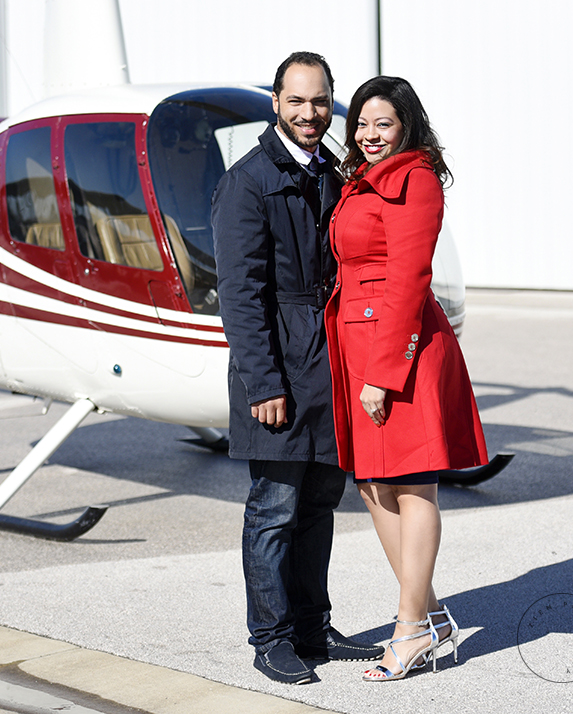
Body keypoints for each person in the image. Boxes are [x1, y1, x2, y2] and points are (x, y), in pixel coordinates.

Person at [212, 51, 382, 686]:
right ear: (276, 104)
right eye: (297, 101)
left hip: (331, 363)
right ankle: (272, 636)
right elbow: (240, 291)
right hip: (281, 364)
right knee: (275, 506)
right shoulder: (248, 181)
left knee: (319, 503)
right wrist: (264, 382)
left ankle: (313, 626)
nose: (310, 113)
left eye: (320, 102)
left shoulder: (335, 174)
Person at [324, 76, 489, 681]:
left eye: (382, 125)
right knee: (372, 485)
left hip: (400, 350)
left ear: (406, 127)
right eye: (361, 125)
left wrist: (383, 374)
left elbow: (409, 278)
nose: (368, 136)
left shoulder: (415, 179)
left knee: (412, 485)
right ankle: (431, 614)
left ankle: (409, 627)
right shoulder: (361, 181)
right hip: (357, 342)